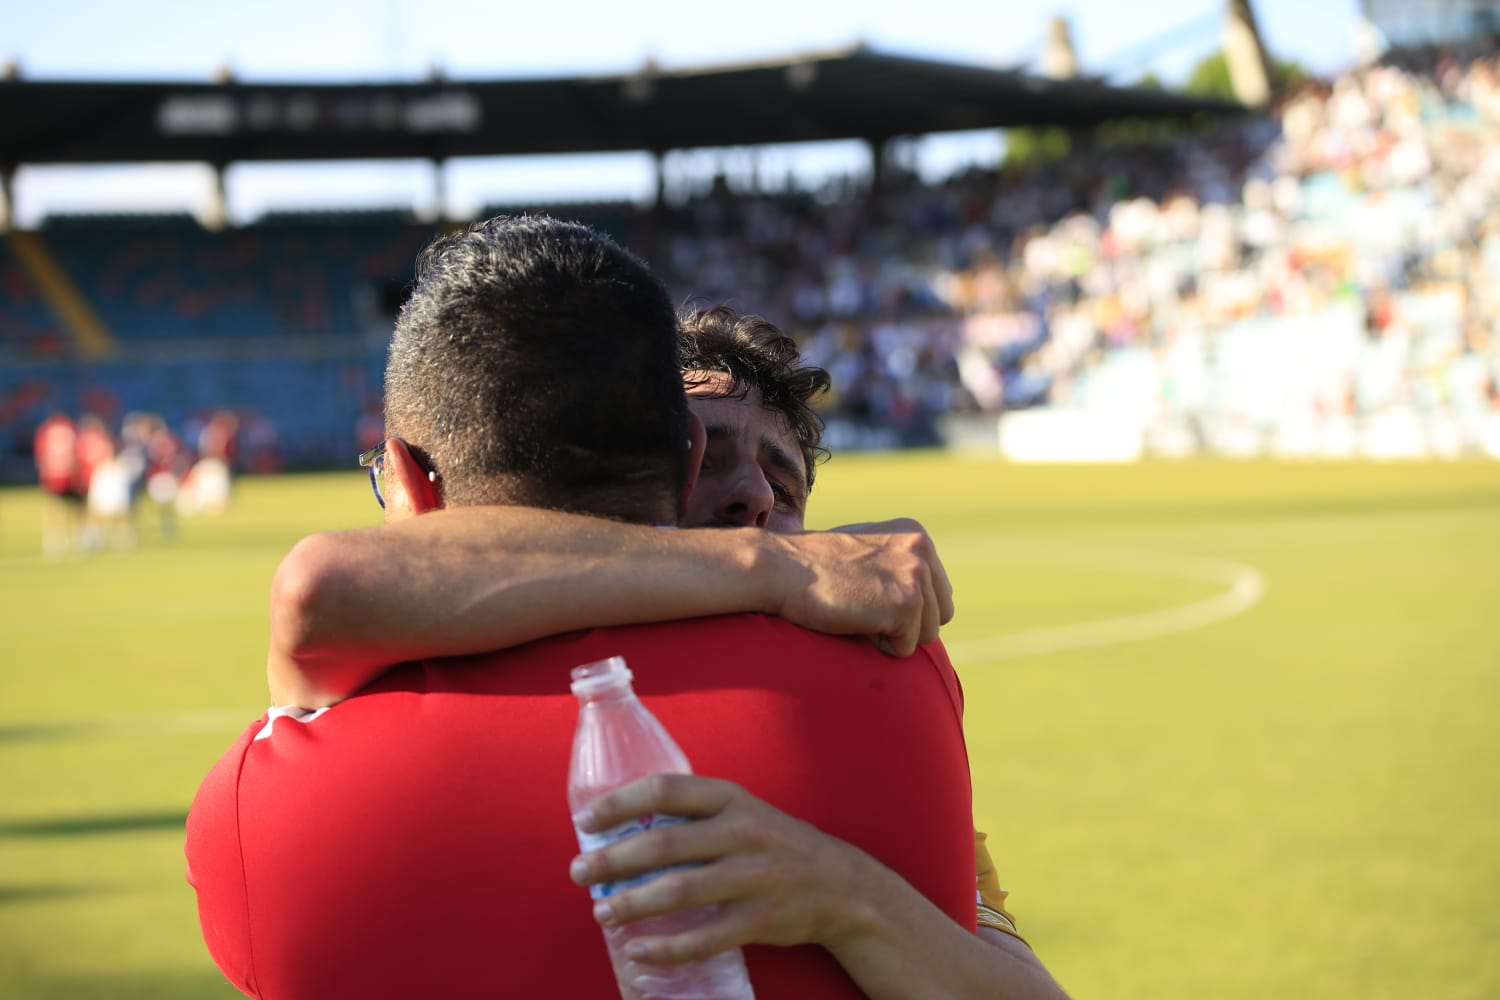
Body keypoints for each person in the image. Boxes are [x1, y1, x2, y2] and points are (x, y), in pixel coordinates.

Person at [186, 216, 1047, 998]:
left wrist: (849, 898)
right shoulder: (892, 688)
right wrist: (774, 566)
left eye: (782, 489)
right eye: (713, 469)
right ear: (668, 465)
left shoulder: (264, 808)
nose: (750, 504)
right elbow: (328, 586)